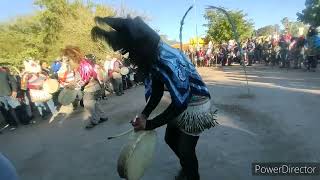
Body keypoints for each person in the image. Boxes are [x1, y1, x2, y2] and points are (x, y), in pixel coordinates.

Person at [91, 16, 218, 180]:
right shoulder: (152, 57)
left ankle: (192, 174)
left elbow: (181, 103)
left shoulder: (167, 60)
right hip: (182, 102)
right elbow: (157, 91)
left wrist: (149, 124)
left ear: (140, 47)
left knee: (187, 150)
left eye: (130, 52)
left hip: (196, 104)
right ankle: (188, 167)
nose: (129, 57)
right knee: (170, 138)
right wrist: (144, 115)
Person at [61, 46, 109, 129]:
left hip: (91, 88)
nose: (67, 62)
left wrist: (72, 86)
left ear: (72, 57)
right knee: (94, 103)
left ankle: (94, 121)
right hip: (93, 87)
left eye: (68, 60)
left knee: (88, 105)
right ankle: (103, 116)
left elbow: (83, 80)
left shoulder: (83, 65)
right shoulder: (81, 64)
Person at [0, 66, 20, 130]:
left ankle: (25, 120)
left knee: (17, 107)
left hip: (9, 94)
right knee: (6, 111)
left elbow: (12, 81)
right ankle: (13, 124)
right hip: (0, 97)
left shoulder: (4, 72)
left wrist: (14, 90)